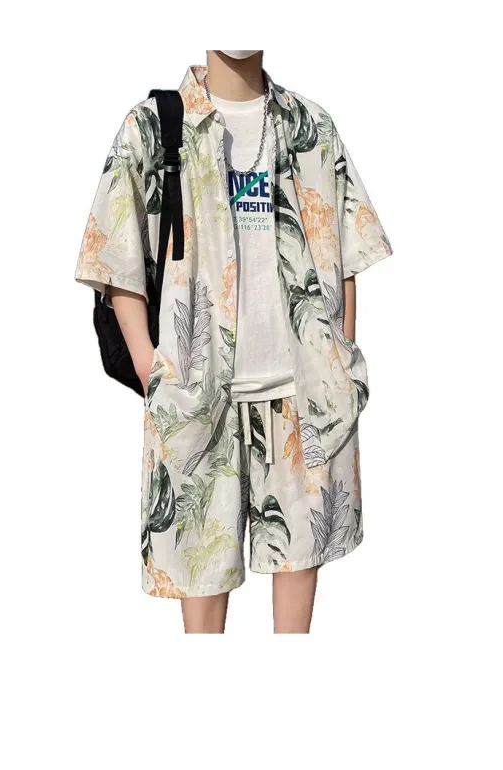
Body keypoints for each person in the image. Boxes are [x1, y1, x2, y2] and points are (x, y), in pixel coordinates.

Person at [75, 51, 392, 633]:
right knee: (202, 595)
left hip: (301, 397)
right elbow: (114, 254)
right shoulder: (153, 126)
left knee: (298, 588)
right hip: (199, 401)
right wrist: (152, 369)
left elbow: (347, 250)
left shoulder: (310, 126)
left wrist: (340, 357)